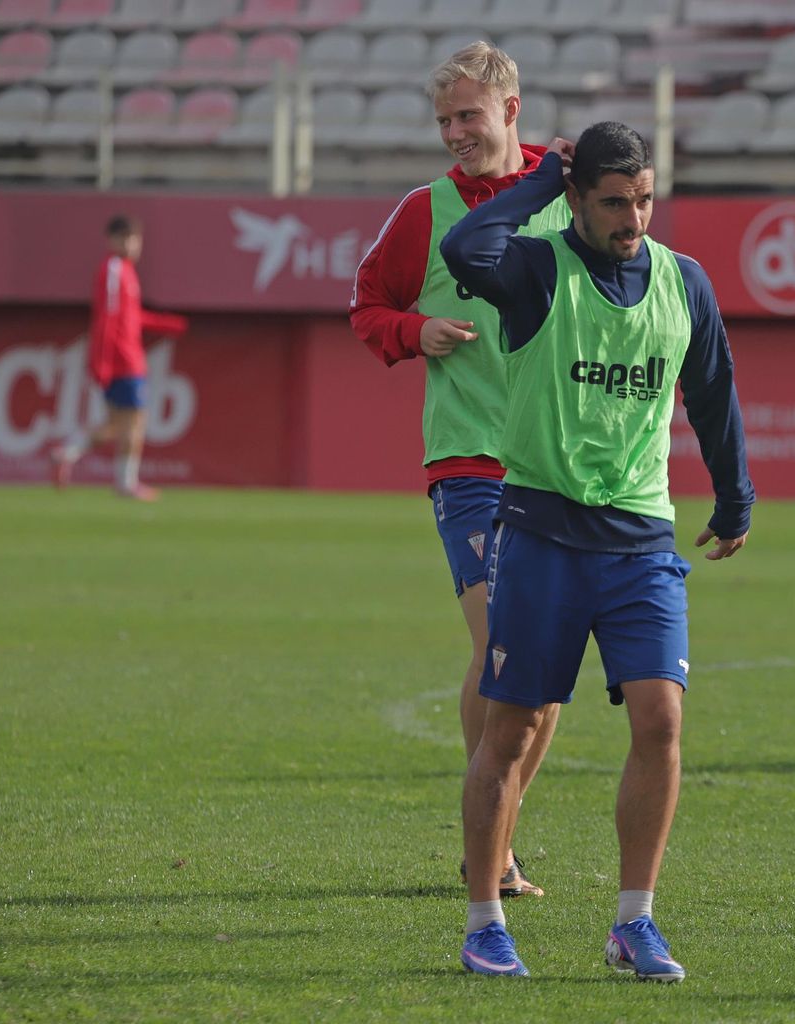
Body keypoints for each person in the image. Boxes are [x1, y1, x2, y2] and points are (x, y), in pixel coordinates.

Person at [440, 122, 754, 980]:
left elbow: (715, 392)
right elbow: (466, 246)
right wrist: (543, 180)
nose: (634, 219)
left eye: (645, 199)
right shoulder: (538, 269)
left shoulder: (683, 282)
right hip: (541, 531)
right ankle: (483, 921)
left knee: (662, 719)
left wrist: (735, 498)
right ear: (578, 200)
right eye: (615, 202)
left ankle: (634, 923)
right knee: (512, 731)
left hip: (641, 539)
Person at [348, 41, 570, 899]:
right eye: (443, 121)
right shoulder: (424, 210)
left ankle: (499, 836)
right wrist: (416, 333)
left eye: (467, 116)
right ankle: (490, 854)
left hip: (553, 460)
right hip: (467, 459)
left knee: (541, 680)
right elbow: (367, 305)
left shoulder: (561, 190)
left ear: (510, 111)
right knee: (502, 646)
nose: (454, 134)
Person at [51, 214, 187, 502]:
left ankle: (68, 451)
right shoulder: (113, 270)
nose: (130, 244)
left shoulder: (126, 272)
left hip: (127, 358)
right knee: (135, 422)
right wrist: (102, 361)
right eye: (124, 238)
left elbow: (129, 317)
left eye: (134, 239)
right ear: (110, 241)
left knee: (115, 425)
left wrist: (165, 324)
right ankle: (126, 483)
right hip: (123, 361)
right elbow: (107, 319)